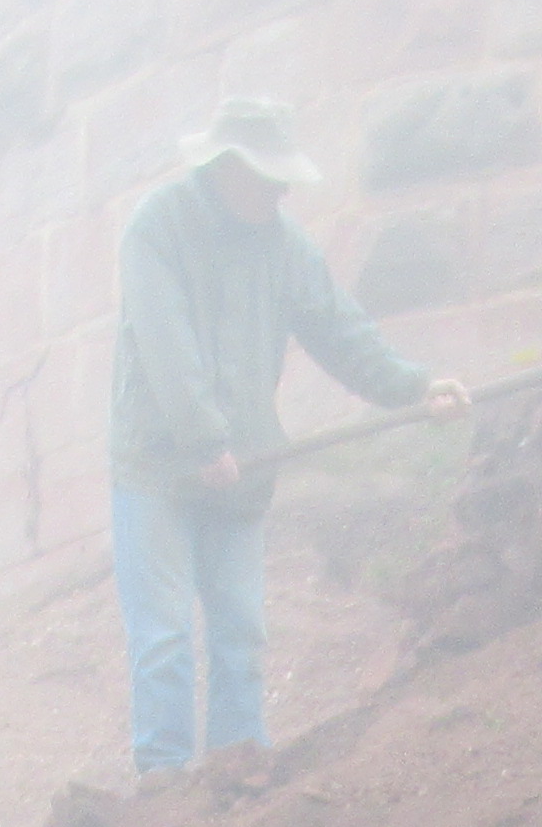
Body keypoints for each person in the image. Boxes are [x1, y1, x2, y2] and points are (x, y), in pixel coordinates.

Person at [107, 94, 466, 779]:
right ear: (228, 167)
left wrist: (415, 388)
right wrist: (204, 440)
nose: (281, 191)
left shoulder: (287, 249)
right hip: (156, 467)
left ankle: (239, 772)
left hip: (244, 466)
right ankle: (164, 788)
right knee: (163, 636)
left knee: (241, 632)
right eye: (270, 178)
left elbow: (341, 331)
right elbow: (164, 342)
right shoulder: (157, 229)